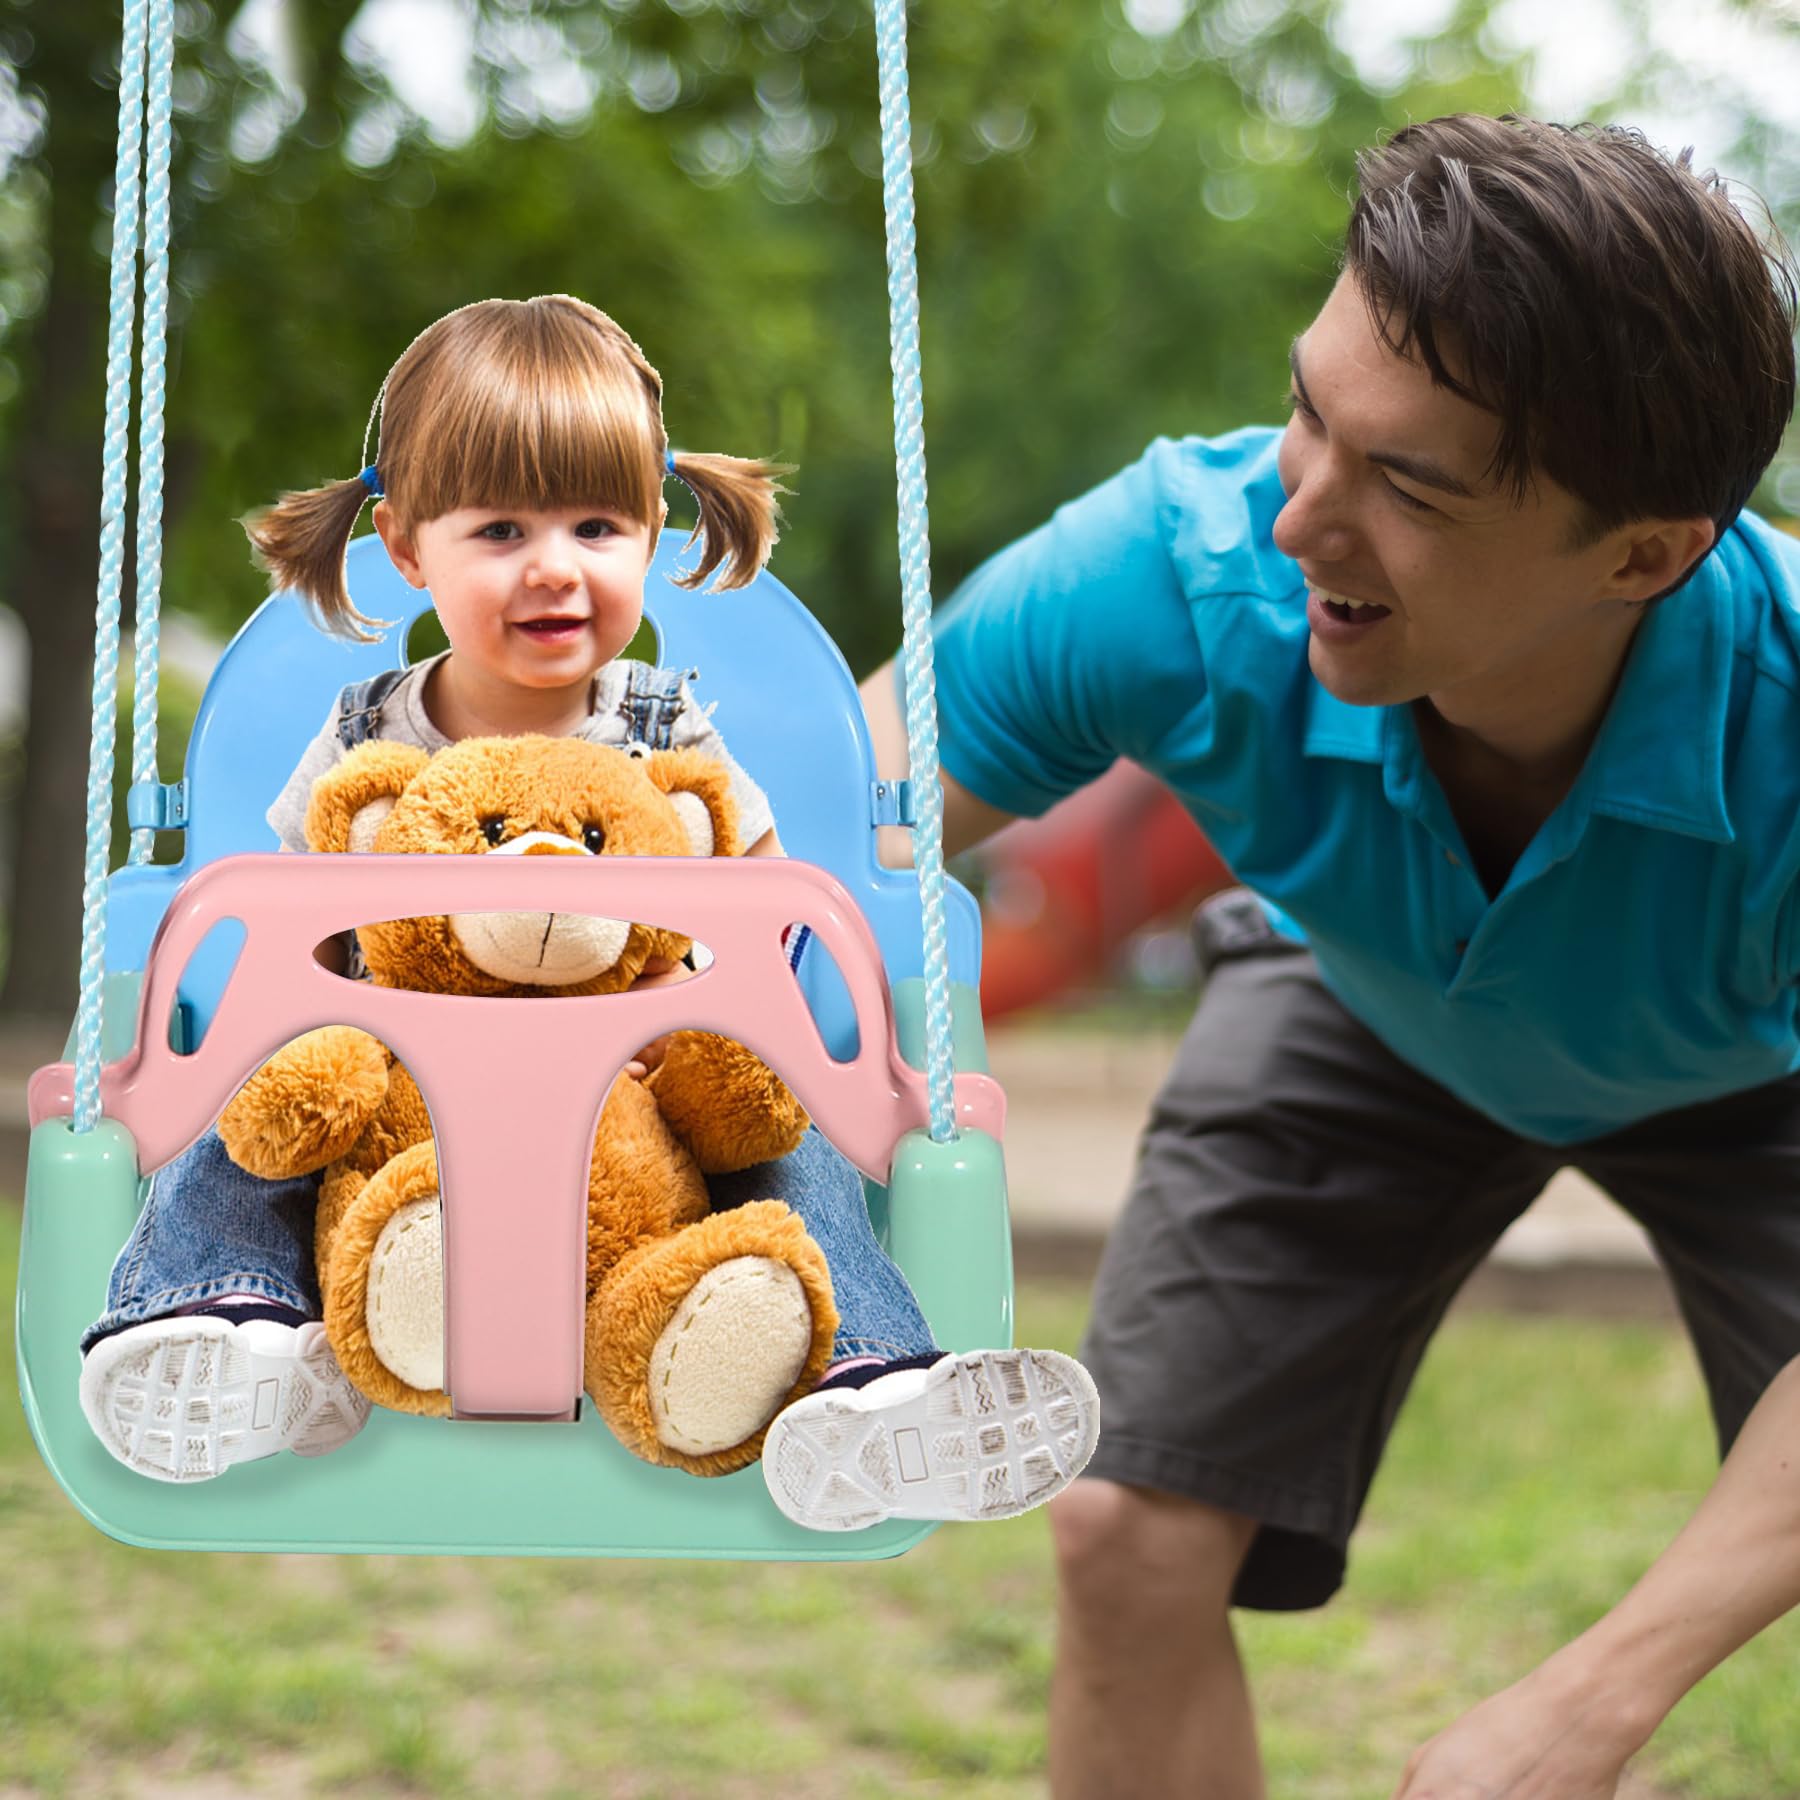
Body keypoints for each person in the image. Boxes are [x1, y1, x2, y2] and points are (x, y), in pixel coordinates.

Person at [858, 115, 1800, 1795]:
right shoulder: (1176, 570)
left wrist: (1585, 1709)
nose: (1300, 518)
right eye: (1310, 411)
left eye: (1410, 485)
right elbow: (800, 855)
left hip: (1760, 1068)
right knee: (1124, 1534)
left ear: (1645, 554)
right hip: (1370, 990)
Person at [78, 294, 1100, 1530]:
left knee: (790, 1126)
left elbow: (774, 906)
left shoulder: (667, 724)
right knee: (269, 1079)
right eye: (501, 527)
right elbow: (284, 922)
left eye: (598, 525)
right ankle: (226, 1321)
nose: (555, 565)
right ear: (405, 548)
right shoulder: (365, 732)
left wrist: (719, 1011)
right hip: (410, 1080)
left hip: (635, 1077)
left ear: (655, 534)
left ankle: (868, 1382)